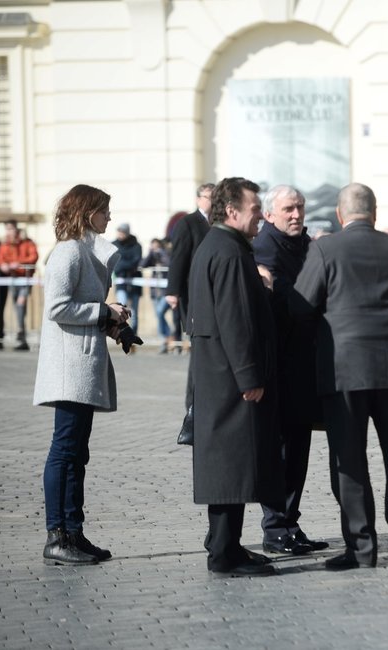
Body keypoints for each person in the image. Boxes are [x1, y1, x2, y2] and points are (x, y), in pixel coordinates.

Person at [292, 182, 388, 569]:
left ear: (339, 214)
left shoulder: (325, 248)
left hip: (345, 367)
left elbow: (301, 306)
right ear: (375, 212)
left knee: (349, 460)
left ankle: (362, 547)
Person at [33, 184, 134, 565]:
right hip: (69, 366)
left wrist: (115, 324)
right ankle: (57, 535)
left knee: (78, 452)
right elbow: (57, 308)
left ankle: (73, 532)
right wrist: (104, 312)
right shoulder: (69, 251)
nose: (109, 216)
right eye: (104, 210)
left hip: (83, 363)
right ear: (87, 212)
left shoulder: (88, 253)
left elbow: (85, 308)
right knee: (65, 450)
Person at [188, 177, 282, 577]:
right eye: (255, 207)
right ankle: (223, 553)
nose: (260, 214)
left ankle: (229, 545)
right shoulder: (228, 252)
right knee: (231, 464)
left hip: (218, 373)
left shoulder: (221, 245)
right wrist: (249, 375)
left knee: (234, 464)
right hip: (230, 377)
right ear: (232, 211)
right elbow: (234, 320)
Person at [252, 184, 328, 556]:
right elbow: (286, 302)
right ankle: (275, 527)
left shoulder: (303, 243)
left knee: (298, 448)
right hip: (280, 366)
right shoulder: (266, 247)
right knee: (281, 450)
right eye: (288, 210)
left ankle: (289, 522)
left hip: (303, 365)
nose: (296, 214)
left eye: (300, 207)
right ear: (269, 214)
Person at [166, 183, 213, 441]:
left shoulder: (217, 223)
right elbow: (179, 258)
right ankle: (192, 409)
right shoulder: (188, 223)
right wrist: (173, 290)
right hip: (192, 297)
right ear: (199, 199)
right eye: (209, 198)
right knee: (197, 353)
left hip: (211, 297)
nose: (212, 202)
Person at [0, 220, 39, 350]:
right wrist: (2, 265)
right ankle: (20, 338)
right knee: (17, 308)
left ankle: (22, 337)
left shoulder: (27, 242)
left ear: (16, 229)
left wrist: (18, 263)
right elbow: (1, 258)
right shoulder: (5, 245)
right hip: (12, 280)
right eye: (7, 229)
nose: (10, 232)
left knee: (21, 306)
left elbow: (33, 257)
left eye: (11, 229)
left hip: (25, 281)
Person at [141, 237, 181, 354]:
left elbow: (169, 264)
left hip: (165, 291)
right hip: (155, 291)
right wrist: (150, 254)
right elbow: (142, 264)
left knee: (160, 312)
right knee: (158, 316)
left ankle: (168, 336)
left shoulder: (167, 254)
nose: (155, 248)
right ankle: (165, 340)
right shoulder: (152, 255)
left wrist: (161, 253)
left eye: (156, 246)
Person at [112, 223, 142, 335]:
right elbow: (113, 262)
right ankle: (123, 333)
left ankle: (133, 334)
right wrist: (121, 265)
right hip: (121, 283)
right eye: (119, 231)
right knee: (121, 308)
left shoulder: (136, 245)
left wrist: (120, 265)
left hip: (134, 283)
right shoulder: (113, 245)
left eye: (123, 232)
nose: (120, 234)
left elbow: (135, 261)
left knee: (133, 311)